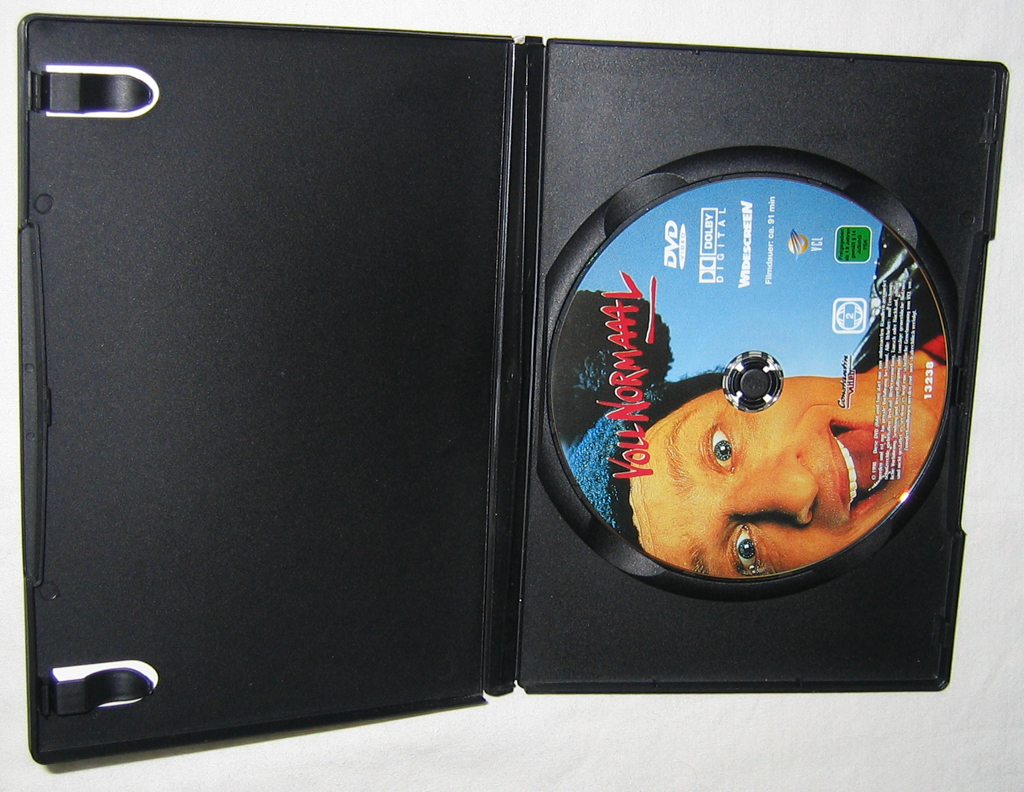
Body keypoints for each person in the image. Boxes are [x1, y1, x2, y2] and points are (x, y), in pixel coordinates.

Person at [555, 229, 947, 577]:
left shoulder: (914, 245)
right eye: (746, 551)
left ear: (742, 383)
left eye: (722, 449)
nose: (800, 489)